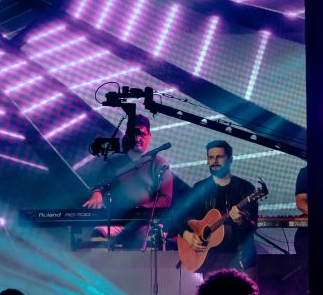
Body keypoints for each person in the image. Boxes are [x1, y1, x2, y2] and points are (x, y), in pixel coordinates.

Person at [82, 115, 172, 246]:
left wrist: (140, 209)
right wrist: (97, 194)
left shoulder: (159, 163)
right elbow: (102, 185)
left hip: (145, 223)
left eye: (142, 134)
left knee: (152, 237)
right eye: (133, 134)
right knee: (98, 234)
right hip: (119, 222)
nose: (137, 138)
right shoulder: (114, 164)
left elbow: (166, 199)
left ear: (149, 135)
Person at [178, 141, 259, 277]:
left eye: (219, 157)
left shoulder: (246, 188)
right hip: (209, 259)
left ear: (230, 160)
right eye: (211, 157)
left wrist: (240, 221)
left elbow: (253, 225)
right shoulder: (200, 188)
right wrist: (186, 234)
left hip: (241, 258)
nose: (214, 161)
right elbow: (177, 217)